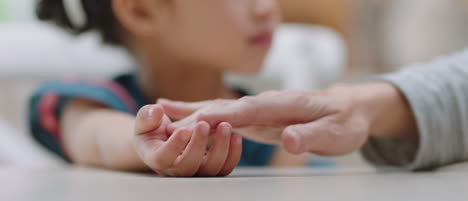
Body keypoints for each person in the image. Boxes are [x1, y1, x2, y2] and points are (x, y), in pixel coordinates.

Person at [30, 0, 306, 177]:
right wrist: (149, 142)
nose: (267, 8)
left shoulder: (267, 124)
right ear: (142, 11)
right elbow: (97, 138)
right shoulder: (89, 104)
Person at [162, 49, 468, 171]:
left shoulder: (255, 111)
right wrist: (158, 144)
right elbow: (114, 134)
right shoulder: (117, 96)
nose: (266, 8)